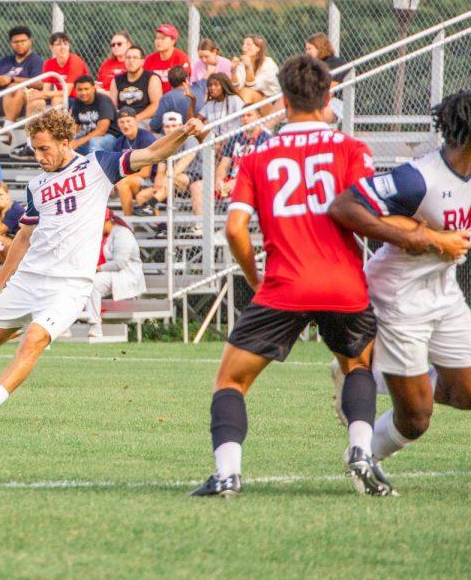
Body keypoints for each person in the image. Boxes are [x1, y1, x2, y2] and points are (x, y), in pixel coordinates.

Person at [189, 55, 386, 499]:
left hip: (284, 284)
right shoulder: (352, 150)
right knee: (356, 365)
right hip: (343, 284)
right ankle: (360, 451)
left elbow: (235, 228)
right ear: (328, 97)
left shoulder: (260, 156)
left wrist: (255, 277)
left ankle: (227, 475)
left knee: (231, 382)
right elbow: (373, 215)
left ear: (283, 100)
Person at [0, 107, 202, 426]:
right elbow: (23, 237)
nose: (39, 156)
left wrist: (183, 132)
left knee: (34, 339)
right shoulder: (36, 186)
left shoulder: (97, 166)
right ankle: (33, 324)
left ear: (67, 142)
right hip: (29, 279)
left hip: (69, 286)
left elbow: (152, 152)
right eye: (35, 149)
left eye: (44, 148)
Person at [327, 91, 471, 495]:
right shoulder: (419, 177)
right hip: (398, 299)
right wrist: (426, 238)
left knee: (467, 393)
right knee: (416, 419)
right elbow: (344, 207)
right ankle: (363, 457)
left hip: (444, 295)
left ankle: (371, 371)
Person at [11, 32, 92, 159]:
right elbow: (46, 90)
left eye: (65, 44)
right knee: (36, 102)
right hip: (60, 98)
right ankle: (30, 144)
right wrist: (36, 95)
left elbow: (68, 91)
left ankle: (57, 137)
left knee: (57, 98)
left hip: (79, 100)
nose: (62, 47)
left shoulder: (74, 60)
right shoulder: (49, 63)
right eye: (58, 44)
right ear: (51, 47)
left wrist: (41, 94)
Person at [84, 211, 145, 338]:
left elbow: (119, 263)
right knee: (90, 283)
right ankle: (94, 325)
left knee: (93, 282)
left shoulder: (122, 234)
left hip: (128, 275)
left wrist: (98, 268)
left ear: (108, 221)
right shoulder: (111, 234)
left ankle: (95, 325)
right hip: (116, 275)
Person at [0, 26, 45, 138]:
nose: (19, 44)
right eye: (15, 42)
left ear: (30, 42)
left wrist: (12, 79)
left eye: (23, 41)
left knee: (14, 87)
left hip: (22, 104)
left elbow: (39, 83)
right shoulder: (5, 61)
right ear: (11, 44)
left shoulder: (36, 61)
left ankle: (7, 128)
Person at [214, 109, 270, 199]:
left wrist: (237, 182)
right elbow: (224, 165)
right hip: (230, 182)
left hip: (251, 184)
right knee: (197, 187)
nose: (245, 118)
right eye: (242, 116)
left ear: (259, 117)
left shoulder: (266, 139)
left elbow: (260, 171)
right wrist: (219, 181)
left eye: (249, 115)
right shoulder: (235, 137)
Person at [113, 108, 158, 216]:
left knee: (122, 182)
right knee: (119, 183)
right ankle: (129, 222)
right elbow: (115, 167)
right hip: (132, 180)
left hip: (151, 181)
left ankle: (128, 221)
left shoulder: (146, 137)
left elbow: (145, 172)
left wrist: (120, 178)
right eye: (122, 122)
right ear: (118, 124)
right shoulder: (120, 141)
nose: (125, 125)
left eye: (128, 121)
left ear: (136, 121)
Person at [109, 46, 162, 128]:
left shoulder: (152, 78)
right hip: (122, 121)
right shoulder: (116, 80)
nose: (131, 61)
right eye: (128, 58)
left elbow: (156, 105)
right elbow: (113, 107)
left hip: (144, 121)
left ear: (142, 61)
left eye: (135, 58)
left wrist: (135, 119)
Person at [69, 76, 120, 154]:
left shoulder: (103, 100)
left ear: (93, 88)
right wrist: (70, 141)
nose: (83, 92)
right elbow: (74, 127)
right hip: (88, 136)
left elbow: (101, 130)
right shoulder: (78, 102)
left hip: (109, 137)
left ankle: (96, 165)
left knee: (94, 142)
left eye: (86, 89)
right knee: (67, 146)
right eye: (80, 89)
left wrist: (78, 142)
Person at [305, 33, 348, 123]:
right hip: (316, 101)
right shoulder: (312, 65)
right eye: (306, 49)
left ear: (319, 47)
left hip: (335, 102)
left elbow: (330, 90)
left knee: (319, 112)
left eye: (309, 49)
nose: (307, 52)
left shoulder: (335, 63)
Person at [231, 34, 280, 107]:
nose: (244, 47)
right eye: (243, 44)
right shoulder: (242, 64)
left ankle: (243, 116)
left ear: (258, 48)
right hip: (253, 101)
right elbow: (236, 89)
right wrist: (233, 71)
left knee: (246, 92)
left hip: (272, 102)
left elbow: (252, 87)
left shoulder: (268, 64)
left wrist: (249, 67)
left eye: (248, 44)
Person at [144, 24, 191, 92]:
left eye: (163, 38)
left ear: (173, 41)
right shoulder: (150, 59)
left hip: (174, 97)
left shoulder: (181, 58)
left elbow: (184, 84)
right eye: (157, 38)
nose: (158, 41)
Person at [151, 66, 192, 135]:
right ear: (186, 79)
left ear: (169, 81)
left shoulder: (167, 98)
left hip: (176, 136)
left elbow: (154, 125)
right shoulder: (198, 91)